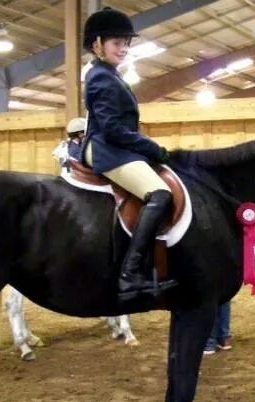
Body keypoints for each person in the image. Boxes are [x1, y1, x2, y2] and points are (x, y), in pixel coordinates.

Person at [82, 7, 176, 299]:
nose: (123, 49)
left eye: (126, 43)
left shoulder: (111, 74)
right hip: (106, 150)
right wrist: (152, 148)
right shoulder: (100, 77)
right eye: (116, 43)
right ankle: (130, 274)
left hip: (116, 147)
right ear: (97, 44)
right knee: (160, 194)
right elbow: (112, 129)